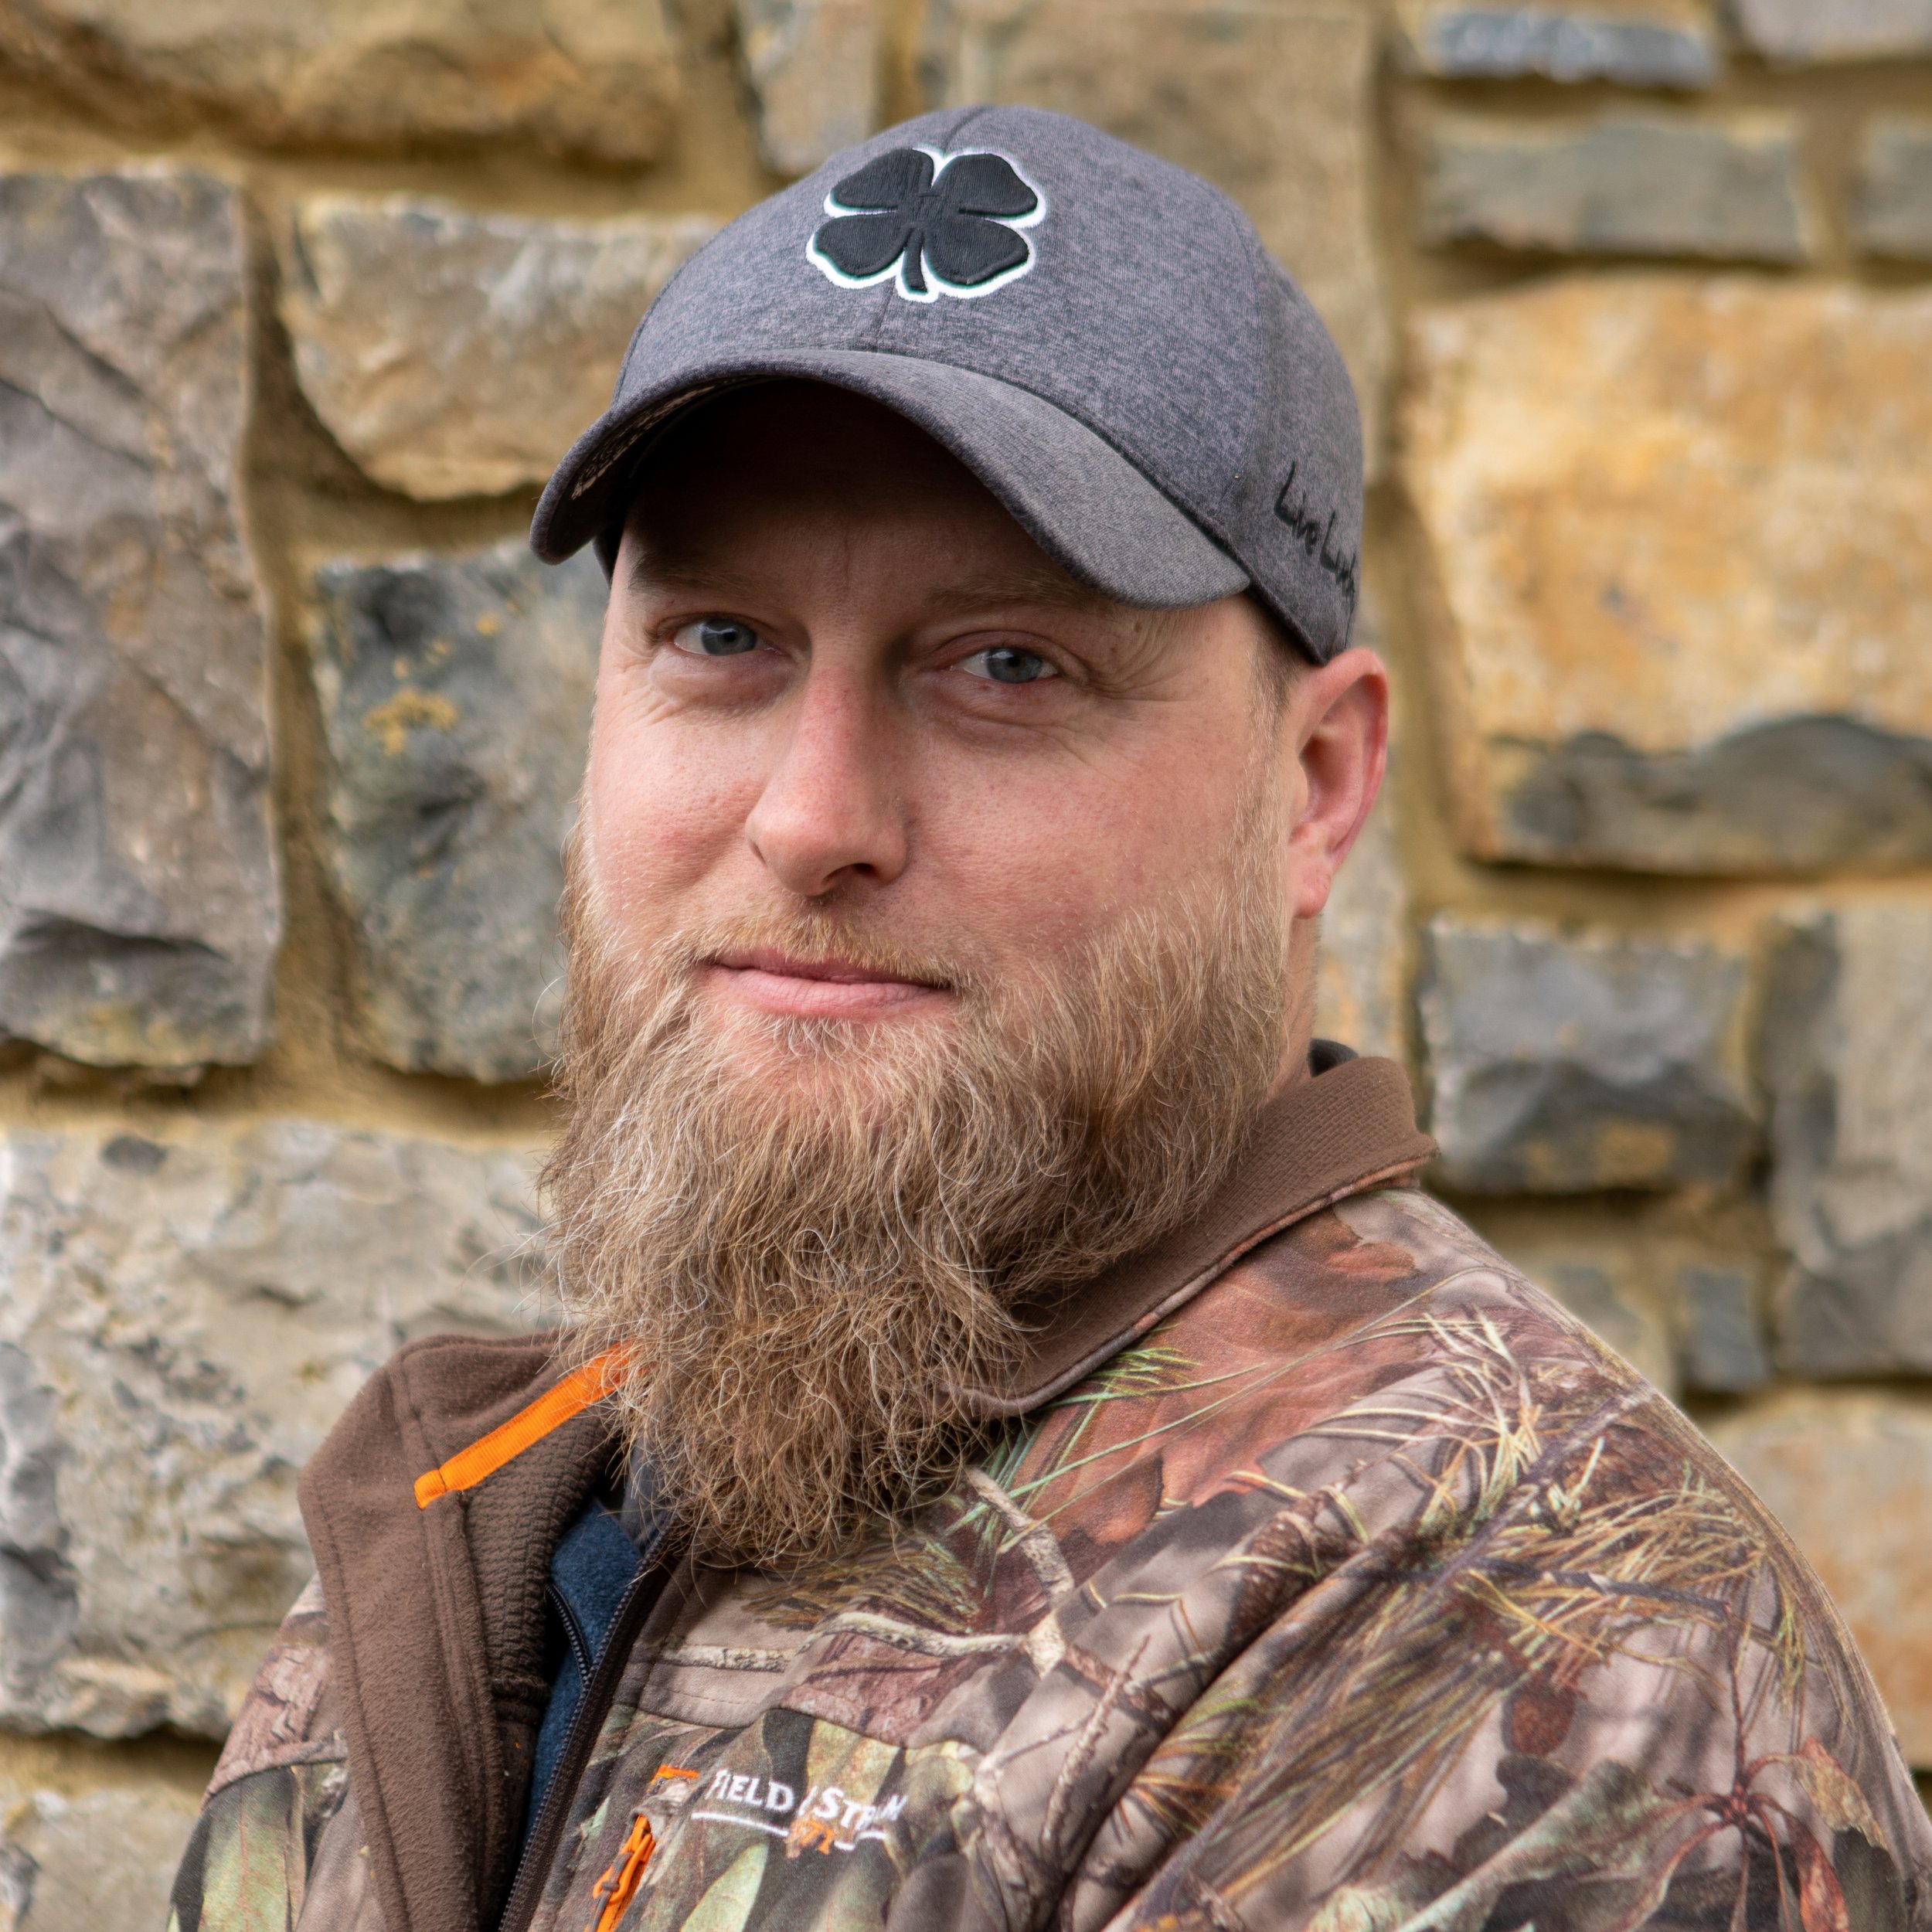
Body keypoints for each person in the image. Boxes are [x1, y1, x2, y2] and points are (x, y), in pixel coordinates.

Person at [168, 107, 1931, 1932]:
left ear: (1315, 782)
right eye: (719, 640)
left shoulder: (1515, 1639)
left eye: (1006, 664)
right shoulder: (486, 1512)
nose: (809, 816)